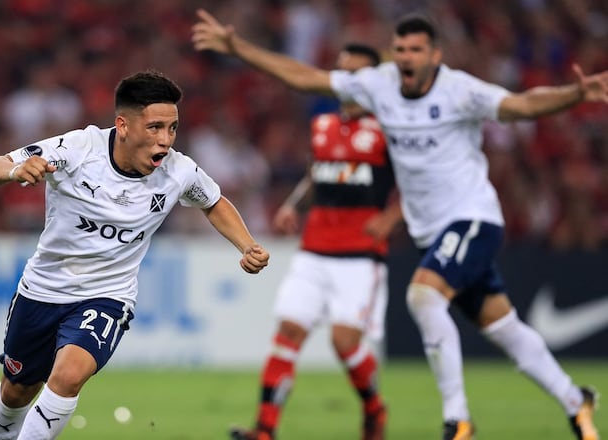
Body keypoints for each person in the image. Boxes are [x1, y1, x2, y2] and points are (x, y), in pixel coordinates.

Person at [192, 9, 607, 440]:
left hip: (472, 218)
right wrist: (237, 47)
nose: (406, 57)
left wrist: (575, 94)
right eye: (401, 49)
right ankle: (576, 402)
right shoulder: (379, 84)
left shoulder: (460, 91)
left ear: (435, 55)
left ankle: (458, 420)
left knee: (424, 296)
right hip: (434, 232)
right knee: (505, 327)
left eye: (416, 50)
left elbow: (521, 105)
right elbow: (304, 77)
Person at [0, 70, 270, 440]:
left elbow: (213, 202)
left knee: (68, 376)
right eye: (155, 128)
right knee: (16, 389)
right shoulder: (79, 149)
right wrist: (17, 168)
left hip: (107, 296)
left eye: (173, 128)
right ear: (124, 125)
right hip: (43, 290)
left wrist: (247, 245)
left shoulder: (178, 171)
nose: (165, 140)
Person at [228, 43, 401, 440]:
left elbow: (419, 184)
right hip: (314, 248)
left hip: (360, 253)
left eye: (357, 74)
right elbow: (318, 175)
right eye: (343, 71)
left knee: (344, 343)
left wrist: (391, 218)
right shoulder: (324, 124)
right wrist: (293, 204)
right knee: (288, 330)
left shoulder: (389, 128)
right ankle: (265, 430)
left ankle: (374, 409)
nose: (347, 81)